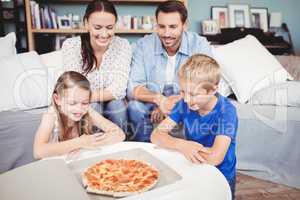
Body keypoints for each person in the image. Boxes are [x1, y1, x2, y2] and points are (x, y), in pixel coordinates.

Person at [151, 54, 238, 199]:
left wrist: (178, 146)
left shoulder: (227, 111)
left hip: (221, 175)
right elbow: (156, 135)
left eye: (193, 94)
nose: (186, 99)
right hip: (194, 168)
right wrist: (182, 145)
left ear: (213, 90)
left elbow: (215, 157)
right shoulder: (184, 103)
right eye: (183, 91)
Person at [127, 0, 212, 142]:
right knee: (134, 107)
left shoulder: (199, 44)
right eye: (161, 26)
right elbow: (133, 87)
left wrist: (172, 103)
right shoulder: (144, 45)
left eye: (173, 27)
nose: (166, 33)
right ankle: (146, 152)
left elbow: (205, 85)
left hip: (186, 98)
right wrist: (159, 100)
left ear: (185, 25)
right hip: (153, 98)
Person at [61, 0, 132, 133]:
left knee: (117, 106)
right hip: (84, 103)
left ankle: (121, 146)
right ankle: (95, 149)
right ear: (86, 24)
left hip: (111, 101)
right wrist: (88, 98)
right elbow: (74, 88)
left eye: (110, 27)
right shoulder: (71, 45)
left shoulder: (123, 45)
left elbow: (118, 89)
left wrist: (87, 96)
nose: (104, 34)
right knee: (93, 107)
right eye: (98, 27)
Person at [33, 71, 125, 159]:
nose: (79, 109)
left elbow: (119, 134)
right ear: (58, 99)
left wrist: (87, 144)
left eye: (85, 103)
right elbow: (38, 152)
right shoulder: (51, 115)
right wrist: (79, 143)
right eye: (72, 103)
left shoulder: (87, 111)